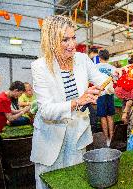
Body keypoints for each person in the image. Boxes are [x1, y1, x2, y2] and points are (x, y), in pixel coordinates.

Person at [30, 15, 111, 189]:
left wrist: (116, 77)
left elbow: (101, 79)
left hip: (77, 134)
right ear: (51, 40)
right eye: (64, 39)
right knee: (49, 182)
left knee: (75, 182)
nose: (72, 44)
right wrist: (77, 102)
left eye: (73, 37)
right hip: (50, 137)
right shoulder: (40, 66)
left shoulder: (82, 59)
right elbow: (46, 110)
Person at [95, 49, 116, 147]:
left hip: (101, 94)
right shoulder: (113, 68)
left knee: (103, 117)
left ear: (99, 58)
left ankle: (106, 139)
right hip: (110, 94)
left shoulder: (95, 68)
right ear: (108, 57)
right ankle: (112, 138)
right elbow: (116, 81)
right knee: (110, 116)